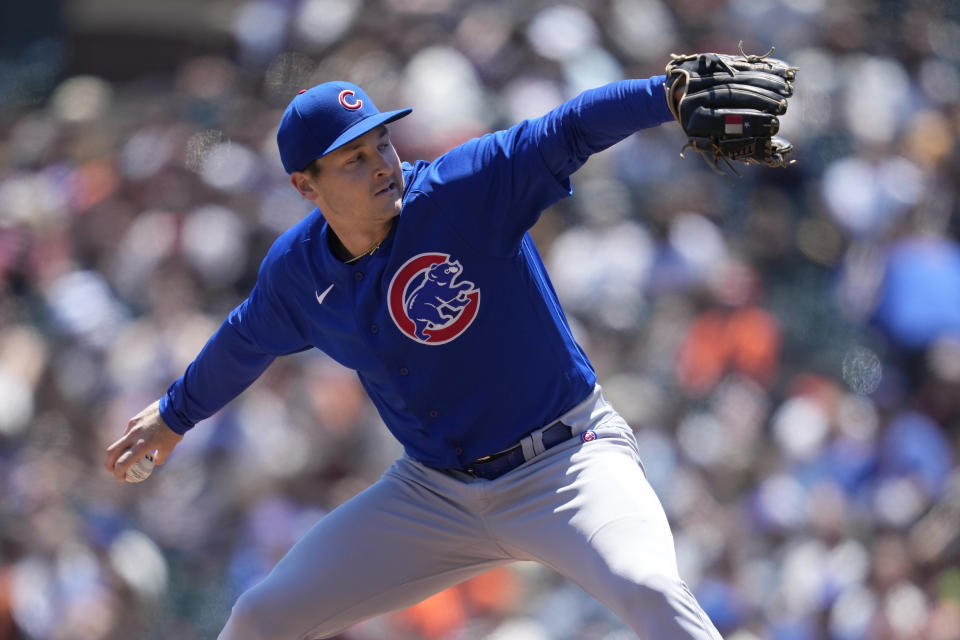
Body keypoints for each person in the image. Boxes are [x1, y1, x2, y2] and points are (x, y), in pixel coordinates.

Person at [105, 74, 725, 639]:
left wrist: (667, 93)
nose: (381, 166)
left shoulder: (462, 193)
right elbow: (245, 340)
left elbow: (567, 127)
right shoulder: (297, 272)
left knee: (650, 589)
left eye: (383, 145)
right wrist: (172, 416)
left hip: (566, 464)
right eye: (354, 158)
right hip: (434, 495)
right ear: (304, 185)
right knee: (261, 619)